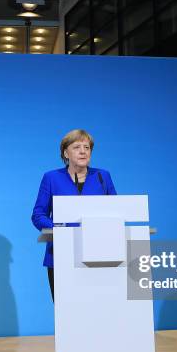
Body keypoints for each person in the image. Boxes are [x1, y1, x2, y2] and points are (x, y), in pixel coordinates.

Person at [31, 129, 116, 301]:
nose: (83, 151)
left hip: (99, 253)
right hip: (61, 254)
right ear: (65, 153)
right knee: (66, 310)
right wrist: (59, 229)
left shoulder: (102, 177)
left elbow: (116, 211)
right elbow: (38, 214)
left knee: (96, 307)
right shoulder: (51, 178)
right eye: (77, 147)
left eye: (87, 147)